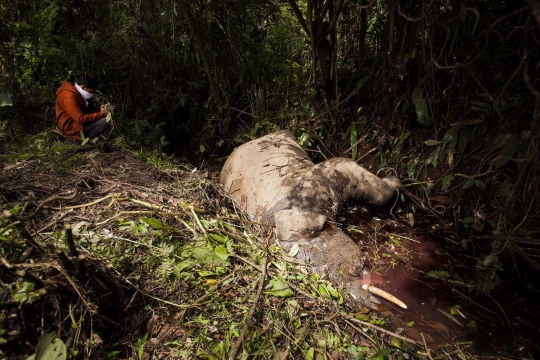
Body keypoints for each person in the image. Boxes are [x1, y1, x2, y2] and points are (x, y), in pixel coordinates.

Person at [55, 75, 112, 143]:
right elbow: (80, 119)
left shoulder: (77, 93)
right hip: (71, 127)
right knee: (105, 121)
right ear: (84, 87)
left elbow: (87, 109)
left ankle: (85, 138)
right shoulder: (69, 97)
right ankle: (86, 138)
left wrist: (99, 109)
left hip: (77, 123)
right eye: (91, 91)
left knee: (106, 120)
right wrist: (101, 114)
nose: (91, 94)